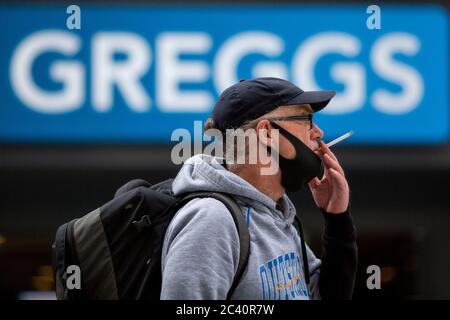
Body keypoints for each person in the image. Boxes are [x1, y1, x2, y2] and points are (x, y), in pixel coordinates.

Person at [160, 77, 357, 300]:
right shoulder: (212, 221)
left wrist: (337, 219)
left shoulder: (277, 218)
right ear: (266, 133)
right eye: (307, 119)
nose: (318, 132)